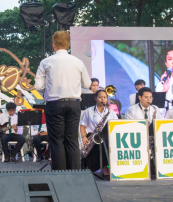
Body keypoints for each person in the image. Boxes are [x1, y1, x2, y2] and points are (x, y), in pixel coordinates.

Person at [34, 30, 92, 171]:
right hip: (73, 103)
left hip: (54, 104)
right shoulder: (78, 62)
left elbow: (38, 86)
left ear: (53, 45)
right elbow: (87, 84)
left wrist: (50, 89)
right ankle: (74, 174)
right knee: (72, 140)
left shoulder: (46, 62)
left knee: (57, 141)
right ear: (68, 45)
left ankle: (60, 175)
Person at [80, 89, 118, 175]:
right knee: (100, 145)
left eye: (105, 97)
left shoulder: (111, 112)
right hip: (92, 136)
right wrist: (83, 137)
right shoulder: (89, 111)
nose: (102, 99)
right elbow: (82, 125)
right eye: (100, 97)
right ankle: (104, 168)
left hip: (107, 136)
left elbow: (116, 124)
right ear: (95, 98)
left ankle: (111, 167)